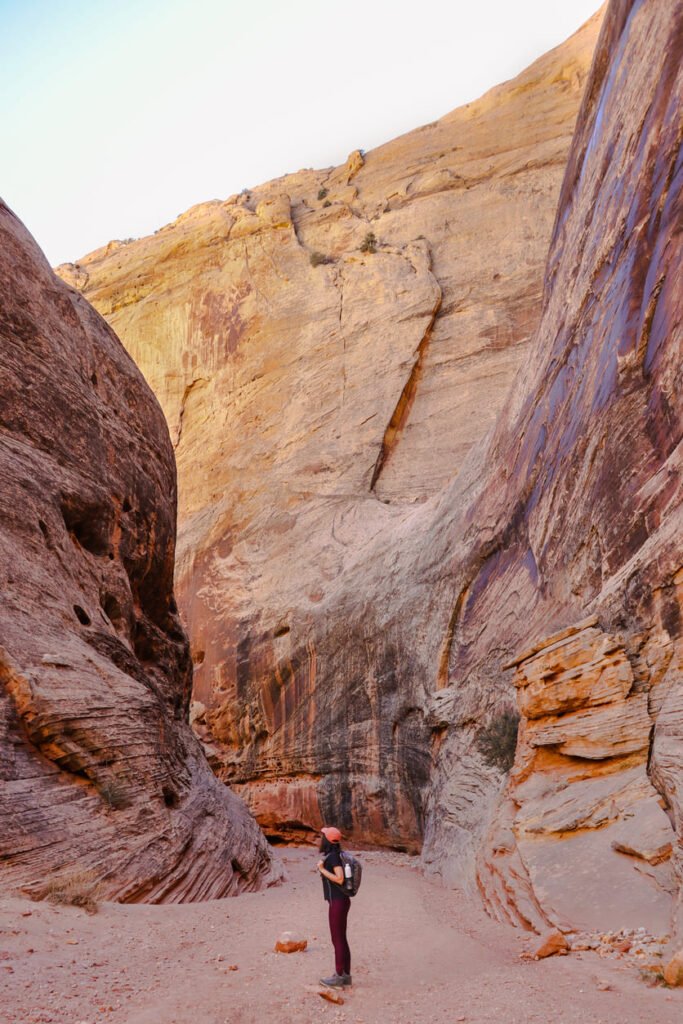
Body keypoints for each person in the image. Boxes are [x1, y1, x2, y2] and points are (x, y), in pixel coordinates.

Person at [317, 825, 352, 988]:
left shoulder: (332, 857)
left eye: (322, 836)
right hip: (341, 901)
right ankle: (345, 975)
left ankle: (339, 977)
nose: (320, 839)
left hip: (338, 902)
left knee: (337, 939)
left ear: (326, 840)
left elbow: (339, 879)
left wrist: (322, 870)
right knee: (342, 938)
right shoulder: (337, 854)